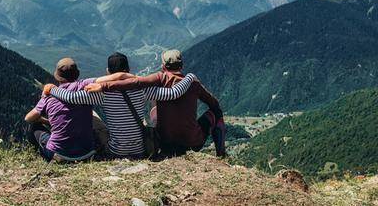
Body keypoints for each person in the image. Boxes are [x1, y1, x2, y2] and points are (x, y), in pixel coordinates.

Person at [43, 52, 197, 159]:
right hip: (141, 149)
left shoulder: (102, 93)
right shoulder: (142, 90)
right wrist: (189, 77)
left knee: (93, 115)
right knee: (144, 120)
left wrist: (53, 89)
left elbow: (71, 98)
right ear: (129, 70)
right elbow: (173, 93)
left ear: (108, 72)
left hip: (116, 151)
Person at [86, 49, 227, 157]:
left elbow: (136, 82)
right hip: (191, 141)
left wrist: (104, 86)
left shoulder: (159, 78)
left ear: (163, 66)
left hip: (165, 142)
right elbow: (214, 103)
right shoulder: (193, 83)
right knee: (216, 113)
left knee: (154, 102)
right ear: (182, 65)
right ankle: (221, 154)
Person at [24, 57, 131, 161]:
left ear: (57, 76)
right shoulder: (84, 85)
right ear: (77, 74)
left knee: (34, 127)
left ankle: (41, 157)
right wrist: (128, 76)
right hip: (87, 153)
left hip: (58, 154)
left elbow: (28, 118)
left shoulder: (48, 96)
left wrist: (46, 121)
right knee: (91, 115)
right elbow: (113, 77)